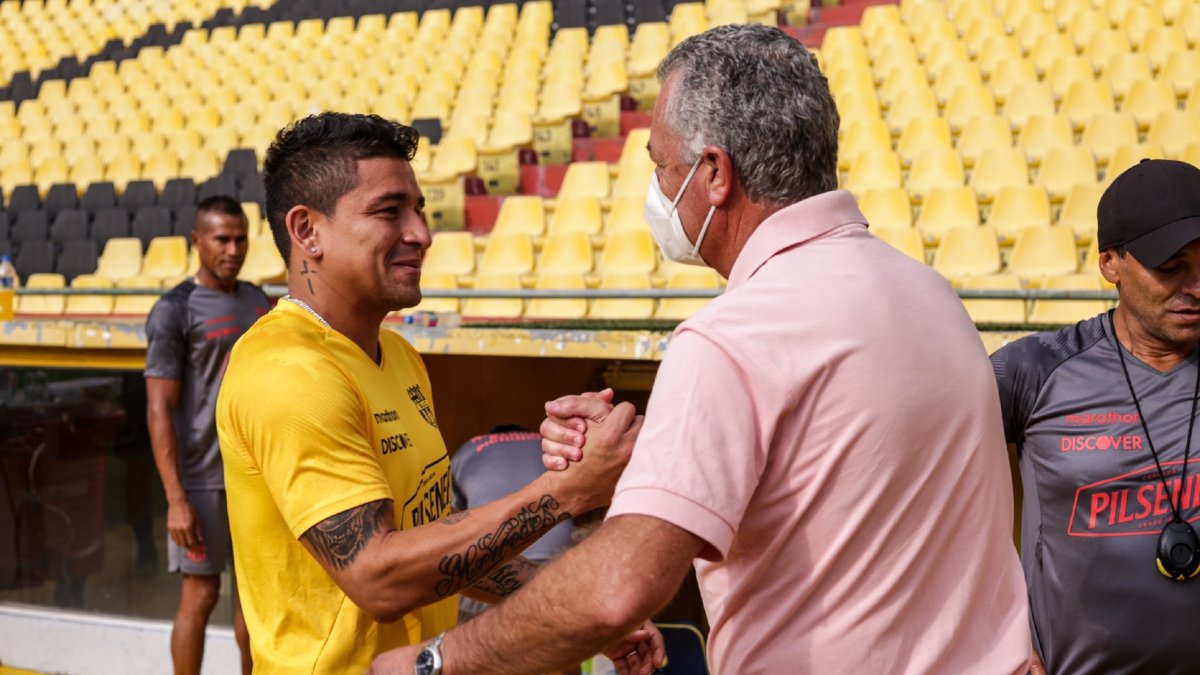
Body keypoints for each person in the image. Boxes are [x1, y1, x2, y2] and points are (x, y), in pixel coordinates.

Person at [370, 24, 1031, 675]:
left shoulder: (733, 337)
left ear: (714, 172)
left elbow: (618, 589)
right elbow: (832, 472)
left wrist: (435, 660)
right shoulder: (929, 292)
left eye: (662, 164)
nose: (657, 186)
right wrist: (647, 457)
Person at [215, 112, 642, 673]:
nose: (421, 232)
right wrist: (564, 493)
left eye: (418, 209)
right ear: (306, 231)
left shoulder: (400, 357)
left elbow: (432, 543)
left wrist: (575, 608)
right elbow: (379, 576)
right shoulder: (288, 370)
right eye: (389, 211)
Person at [991, 158, 1200, 674]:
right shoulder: (1033, 371)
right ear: (1111, 264)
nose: (1196, 287)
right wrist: (992, 633)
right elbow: (922, 495)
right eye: (1171, 266)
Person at [145, 196, 269, 675]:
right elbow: (158, 408)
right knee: (200, 594)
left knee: (254, 601)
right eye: (221, 239)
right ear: (196, 241)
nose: (233, 249)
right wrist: (176, 498)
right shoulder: (174, 310)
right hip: (202, 483)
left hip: (255, 479)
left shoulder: (257, 300)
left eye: (240, 239)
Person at [450, 424, 577, 623]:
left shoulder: (469, 449)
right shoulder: (550, 447)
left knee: (449, 589)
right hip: (560, 574)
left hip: (492, 581)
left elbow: (452, 527)